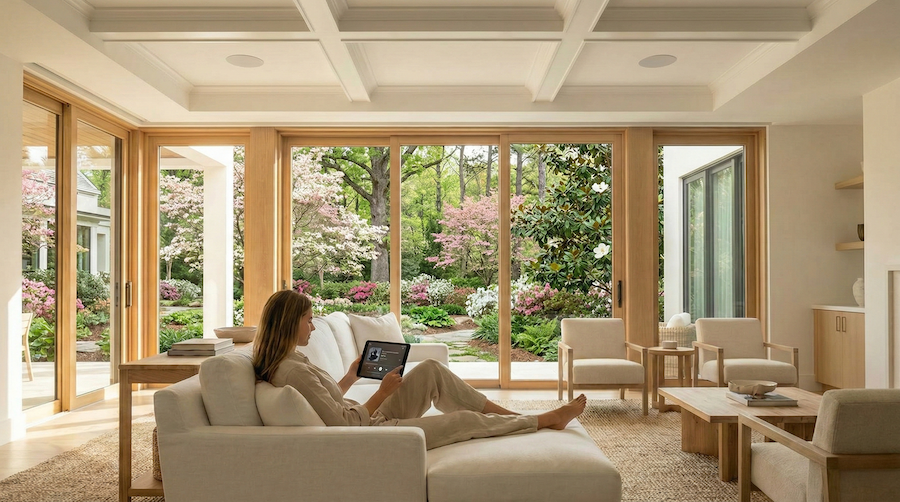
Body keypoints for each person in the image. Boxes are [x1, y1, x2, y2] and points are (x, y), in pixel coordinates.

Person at [252, 289, 587, 450]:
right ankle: (544, 420)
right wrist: (382, 392)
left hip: (367, 418)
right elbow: (342, 424)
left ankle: (506, 414)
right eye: (308, 320)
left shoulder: (291, 361)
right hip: (370, 434)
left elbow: (327, 404)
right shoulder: (292, 370)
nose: (312, 327)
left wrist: (351, 376)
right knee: (463, 421)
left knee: (429, 369)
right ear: (288, 323)